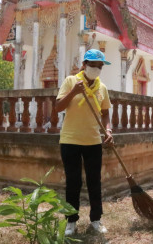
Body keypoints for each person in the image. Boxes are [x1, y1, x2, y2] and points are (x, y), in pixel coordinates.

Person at [56, 49, 114, 236]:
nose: (96, 69)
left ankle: (96, 219)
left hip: (93, 141)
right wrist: (74, 92)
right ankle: (71, 221)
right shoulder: (70, 81)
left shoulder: (102, 88)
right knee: (73, 181)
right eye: (92, 65)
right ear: (84, 65)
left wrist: (109, 130)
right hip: (70, 140)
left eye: (99, 66)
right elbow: (58, 107)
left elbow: (105, 113)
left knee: (94, 181)